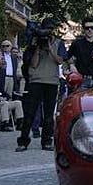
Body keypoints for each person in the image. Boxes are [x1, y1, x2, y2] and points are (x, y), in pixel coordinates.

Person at [16, 18, 66, 152]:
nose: (47, 33)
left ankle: (47, 141)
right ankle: (23, 141)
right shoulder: (34, 42)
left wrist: (50, 49)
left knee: (49, 114)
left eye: (50, 30)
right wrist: (37, 48)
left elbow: (60, 61)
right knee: (30, 113)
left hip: (52, 81)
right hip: (36, 81)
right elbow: (33, 64)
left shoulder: (58, 42)